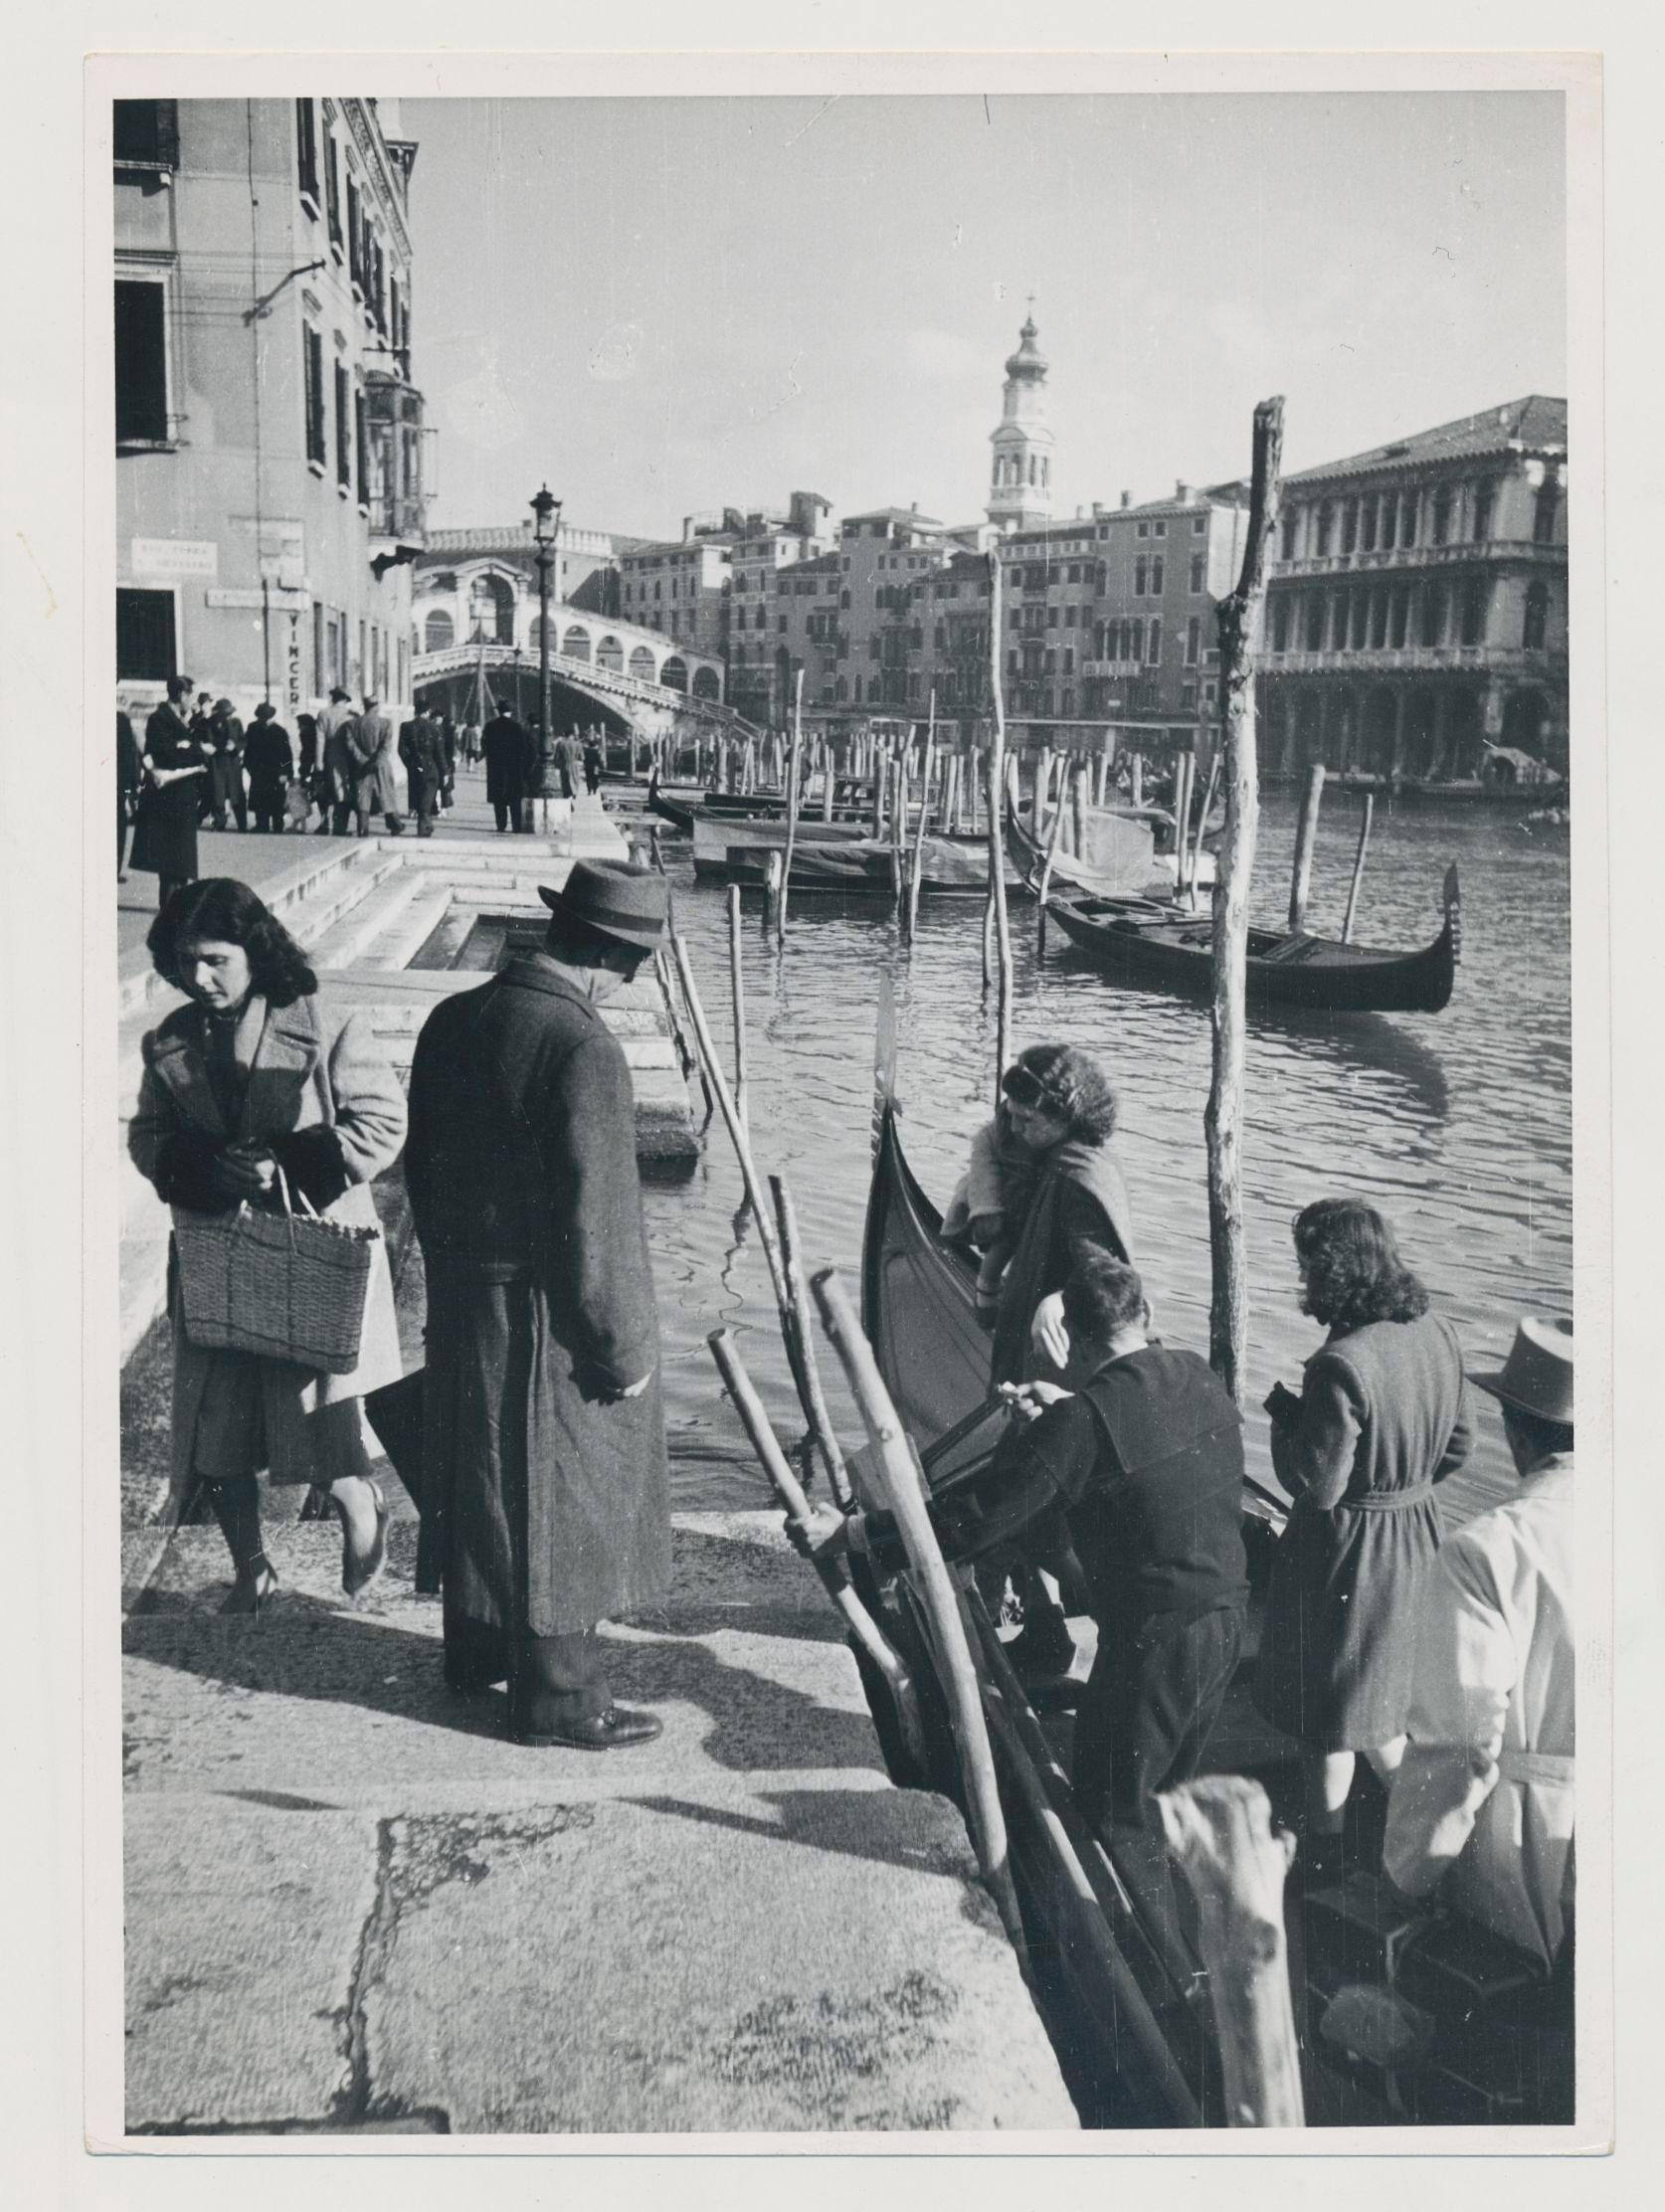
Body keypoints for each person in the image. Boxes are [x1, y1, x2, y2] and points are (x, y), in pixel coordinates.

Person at [793, 1253, 1249, 1832]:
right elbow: (1137, 1426)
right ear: (1147, 1314)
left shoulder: (1081, 1423)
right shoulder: (1197, 1374)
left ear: (1075, 1343)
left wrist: (852, 1533)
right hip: (1227, 1620)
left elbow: (972, 1521)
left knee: (1113, 1815)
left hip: (1156, 1642)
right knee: (1167, 1800)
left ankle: (1130, 1919)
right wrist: (1063, 1415)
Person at [404, 860, 673, 1749]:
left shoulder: (452, 1018)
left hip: (461, 1292)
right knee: (557, 1489)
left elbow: (417, 1172)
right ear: (611, 960)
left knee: (478, 1475)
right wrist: (623, 1352)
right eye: (629, 970)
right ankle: (561, 1699)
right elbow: (597, 1217)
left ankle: (477, 1649)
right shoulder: (581, 1046)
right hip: (539, 1312)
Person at [127, 879, 407, 1612]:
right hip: (215, 1256)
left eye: (216, 959)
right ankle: (252, 1569)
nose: (200, 978)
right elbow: (149, 1138)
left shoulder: (328, 1020)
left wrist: (290, 1165)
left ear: (255, 950)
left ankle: (358, 1504)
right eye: (185, 962)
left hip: (308, 1255)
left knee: (316, 1427)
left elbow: (380, 1122)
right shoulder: (170, 1041)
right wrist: (198, 1171)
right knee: (212, 1434)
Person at [1253, 1198, 1475, 1864]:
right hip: (1415, 1536)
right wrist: (1398, 1482)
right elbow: (1459, 1447)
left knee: (1332, 1717)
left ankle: (1320, 1853)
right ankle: (1437, 1837)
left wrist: (1284, 1425)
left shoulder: (1342, 1363)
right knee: (1381, 1704)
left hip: (1349, 1557)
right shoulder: (1435, 1330)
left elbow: (1314, 1485)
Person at [1384, 1315, 1574, 1974]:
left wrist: (1409, 1870)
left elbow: (1461, 1742)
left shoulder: (1488, 1551)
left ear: (1518, 1431)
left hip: (1531, 1864)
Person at [941, 1103, 1043, 1325]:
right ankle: (986, 1303)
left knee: (1028, 1259)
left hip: (1036, 1207)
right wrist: (988, 1212)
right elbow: (985, 1174)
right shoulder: (993, 1135)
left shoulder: (1044, 1131)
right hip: (1008, 1206)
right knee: (1000, 1251)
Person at [129, 674, 211, 906]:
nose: (192, 701)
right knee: (171, 865)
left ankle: (176, 910)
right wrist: (193, 750)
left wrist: (187, 747)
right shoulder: (160, 719)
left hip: (181, 799)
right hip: (168, 800)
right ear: (181, 695)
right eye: (190, 695)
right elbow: (166, 756)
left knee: (180, 866)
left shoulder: (181, 719)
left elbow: (184, 750)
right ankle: (170, 912)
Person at [348, 692, 405, 836]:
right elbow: (386, 746)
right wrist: (376, 761)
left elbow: (351, 746)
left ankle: (362, 827)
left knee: (363, 796)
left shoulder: (352, 723)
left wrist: (363, 760)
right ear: (377, 706)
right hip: (381, 765)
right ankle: (394, 825)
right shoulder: (386, 723)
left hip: (361, 766)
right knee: (386, 794)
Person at [482, 696, 531, 833]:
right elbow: (523, 749)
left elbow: (485, 746)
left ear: (499, 711)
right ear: (511, 712)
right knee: (515, 800)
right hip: (513, 769)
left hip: (496, 768)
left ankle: (501, 825)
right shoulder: (517, 727)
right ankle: (516, 826)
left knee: (499, 801)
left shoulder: (490, 726)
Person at [244, 702, 293, 833]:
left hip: (276, 771)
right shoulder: (253, 728)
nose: (263, 720)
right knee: (259, 798)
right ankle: (261, 824)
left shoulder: (279, 731)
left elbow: (286, 754)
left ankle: (278, 825)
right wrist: (248, 765)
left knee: (276, 798)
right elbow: (248, 749)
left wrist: (285, 772)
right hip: (259, 770)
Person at [398, 705, 447, 837]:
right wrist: (444, 771)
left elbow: (401, 750)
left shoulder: (406, 726)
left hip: (414, 766)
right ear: (427, 712)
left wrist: (410, 764)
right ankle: (424, 825)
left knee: (418, 794)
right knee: (428, 794)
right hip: (431, 766)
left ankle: (426, 825)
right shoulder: (434, 728)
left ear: (415, 712)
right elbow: (440, 753)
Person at [319, 687, 359, 835]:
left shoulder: (324, 714)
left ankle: (328, 823)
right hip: (351, 757)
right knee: (346, 791)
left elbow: (320, 740)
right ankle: (340, 826)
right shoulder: (352, 716)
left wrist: (318, 763)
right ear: (345, 700)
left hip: (330, 756)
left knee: (330, 791)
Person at [207, 698, 248, 831]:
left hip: (233, 762)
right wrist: (221, 747)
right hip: (217, 762)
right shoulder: (211, 722)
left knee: (237, 793)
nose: (228, 716)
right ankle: (219, 822)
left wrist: (235, 747)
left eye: (229, 713)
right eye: (226, 713)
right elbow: (209, 740)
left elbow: (242, 740)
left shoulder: (236, 722)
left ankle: (242, 824)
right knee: (218, 794)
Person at [117, 707, 144, 879]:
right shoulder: (121, 721)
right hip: (118, 785)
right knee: (117, 828)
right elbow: (129, 758)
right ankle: (114, 868)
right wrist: (131, 788)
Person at [526, 716, 561, 832]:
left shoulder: (528, 733)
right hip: (544, 765)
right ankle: (548, 822)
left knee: (533, 793)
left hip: (531, 766)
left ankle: (535, 821)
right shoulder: (545, 732)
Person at [296, 710, 319, 785]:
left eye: (300, 724)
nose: (298, 727)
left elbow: (307, 750)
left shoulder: (306, 733)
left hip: (309, 758)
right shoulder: (312, 731)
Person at [553, 730, 576, 802]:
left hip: (563, 764)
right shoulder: (575, 743)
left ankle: (567, 797)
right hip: (573, 765)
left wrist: (556, 765)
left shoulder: (560, 743)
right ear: (571, 735)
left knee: (565, 781)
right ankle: (572, 794)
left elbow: (556, 757)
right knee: (573, 780)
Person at [583, 732, 604, 797]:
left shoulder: (586, 751)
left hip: (588, 767)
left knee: (588, 778)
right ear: (594, 745)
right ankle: (595, 790)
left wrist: (585, 765)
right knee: (595, 778)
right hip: (595, 767)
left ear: (589, 745)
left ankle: (589, 790)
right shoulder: (596, 752)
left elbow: (584, 759)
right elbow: (598, 760)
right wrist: (601, 766)